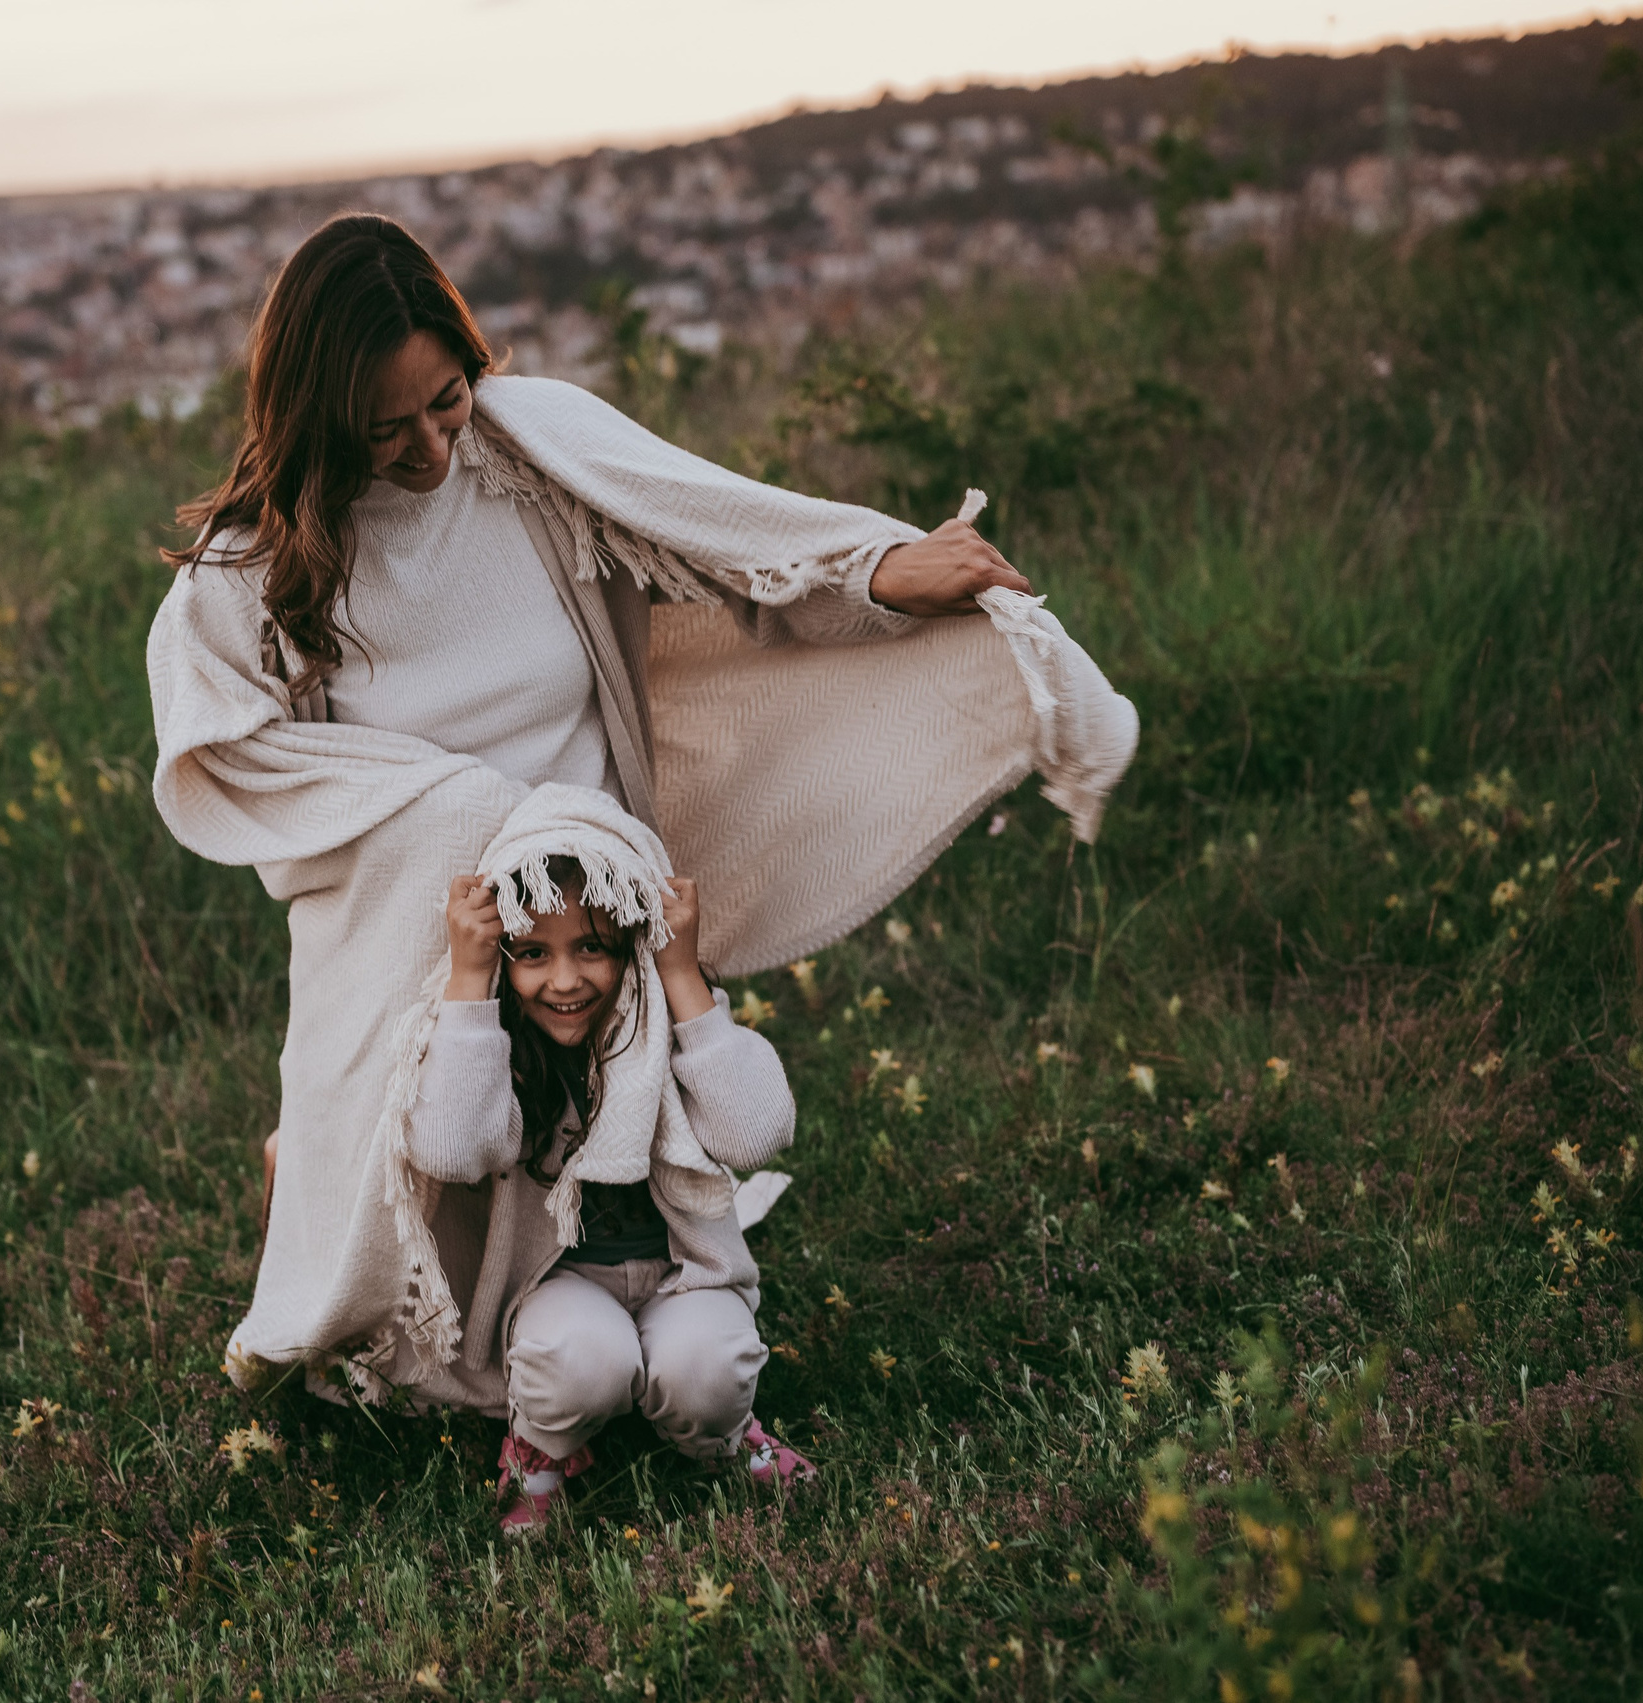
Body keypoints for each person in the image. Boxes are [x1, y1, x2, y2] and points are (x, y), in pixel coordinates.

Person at [148, 211, 1133, 1419]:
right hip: (419, 916)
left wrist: (881, 572)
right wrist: (471, 817)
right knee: (408, 1288)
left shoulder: (536, 453)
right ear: (311, 414)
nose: (429, 449)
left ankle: (593, 1319)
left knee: (579, 1182)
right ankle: (324, 1183)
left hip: (587, 912)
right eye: (382, 428)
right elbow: (226, 759)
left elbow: (723, 536)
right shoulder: (256, 566)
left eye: (445, 401)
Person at [413, 852, 812, 1533]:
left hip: (680, 1274)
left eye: (592, 945)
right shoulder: (496, 1044)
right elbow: (452, 1149)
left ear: (632, 939)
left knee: (708, 1370)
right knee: (583, 1362)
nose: (565, 980)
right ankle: (540, 1445)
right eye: (533, 951)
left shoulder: (659, 1022)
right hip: (559, 1285)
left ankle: (719, 1434)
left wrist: (680, 972)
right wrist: (470, 976)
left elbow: (756, 1133)